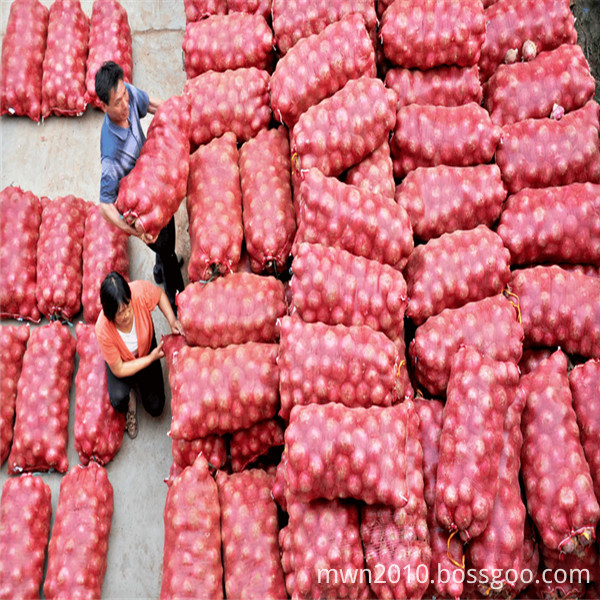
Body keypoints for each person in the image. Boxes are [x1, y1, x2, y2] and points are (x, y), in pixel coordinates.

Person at [95, 61, 184, 311]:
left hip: (153, 181)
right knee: (165, 246)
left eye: (124, 96)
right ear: (104, 106)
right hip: (141, 208)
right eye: (117, 103)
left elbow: (152, 104)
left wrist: (175, 111)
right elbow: (105, 206)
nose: (125, 105)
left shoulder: (127, 94)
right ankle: (176, 297)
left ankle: (159, 269)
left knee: (168, 238)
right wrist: (135, 232)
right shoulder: (111, 155)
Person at [95, 271, 184, 439]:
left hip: (146, 348)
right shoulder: (103, 330)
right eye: (120, 313)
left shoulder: (138, 293)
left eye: (127, 307)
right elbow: (120, 369)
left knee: (156, 407)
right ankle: (130, 398)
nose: (127, 315)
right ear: (110, 315)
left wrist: (172, 321)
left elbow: (159, 295)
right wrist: (151, 358)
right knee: (118, 401)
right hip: (123, 362)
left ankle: (141, 384)